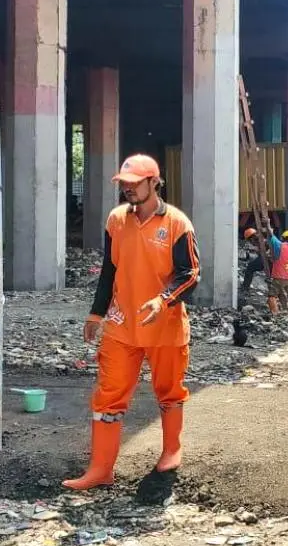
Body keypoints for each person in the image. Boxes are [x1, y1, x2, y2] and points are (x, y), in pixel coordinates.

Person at [64, 154, 200, 490]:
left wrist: (162, 299)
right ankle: (100, 469)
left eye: (134, 183)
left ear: (154, 182)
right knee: (108, 395)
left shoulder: (178, 224)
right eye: (124, 184)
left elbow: (190, 274)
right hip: (122, 325)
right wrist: (96, 313)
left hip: (165, 326)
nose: (128, 189)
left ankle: (171, 450)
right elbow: (110, 271)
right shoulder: (116, 221)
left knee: (169, 391)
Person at [241, 227, 288, 315]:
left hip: (274, 268)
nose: (251, 242)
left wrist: (267, 225)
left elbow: (271, 239)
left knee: (271, 295)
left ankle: (275, 314)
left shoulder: (273, 243)